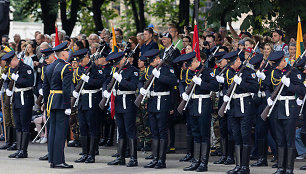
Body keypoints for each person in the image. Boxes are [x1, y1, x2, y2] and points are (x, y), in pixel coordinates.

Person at [264, 51, 305, 174]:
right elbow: (266, 86)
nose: (277, 66)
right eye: (277, 64)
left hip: (289, 108)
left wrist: (289, 85)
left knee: (289, 139)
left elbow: (303, 90)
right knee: (279, 139)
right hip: (276, 108)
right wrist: (268, 97)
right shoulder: (273, 72)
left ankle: (289, 168)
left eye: (280, 62)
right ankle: (280, 167)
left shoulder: (293, 72)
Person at [139, 49, 177, 169]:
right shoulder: (149, 69)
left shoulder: (166, 68)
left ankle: (162, 160)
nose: (150, 63)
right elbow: (141, 81)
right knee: (154, 131)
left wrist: (159, 76)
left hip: (163, 102)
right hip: (152, 103)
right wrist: (141, 88)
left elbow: (173, 81)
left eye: (152, 60)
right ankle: (155, 158)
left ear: (158, 59)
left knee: (162, 131)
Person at [222, 50, 259, 174]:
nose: (232, 65)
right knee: (235, 136)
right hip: (233, 106)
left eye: (234, 62)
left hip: (245, 106)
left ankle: (245, 167)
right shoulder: (229, 72)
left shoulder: (249, 72)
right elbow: (226, 87)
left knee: (245, 136)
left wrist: (241, 83)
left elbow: (255, 88)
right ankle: (238, 165)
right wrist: (225, 96)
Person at [104, 52, 139, 167]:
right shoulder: (115, 70)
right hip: (118, 102)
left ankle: (133, 158)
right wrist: (106, 90)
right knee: (121, 131)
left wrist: (121, 80)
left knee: (130, 131)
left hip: (128, 102)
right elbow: (106, 81)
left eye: (117, 63)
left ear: (123, 60)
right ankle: (121, 157)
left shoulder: (132, 70)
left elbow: (133, 86)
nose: (116, 66)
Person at [43, 42, 73, 169]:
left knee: (53, 132)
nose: (68, 53)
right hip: (61, 102)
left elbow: (45, 88)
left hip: (51, 101)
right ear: (63, 53)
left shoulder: (49, 67)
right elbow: (66, 89)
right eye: (67, 51)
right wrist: (68, 106)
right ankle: (59, 161)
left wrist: (46, 103)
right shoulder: (67, 67)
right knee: (60, 133)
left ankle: (53, 160)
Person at [72, 49, 103, 163]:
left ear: (87, 57)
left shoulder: (95, 68)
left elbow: (100, 82)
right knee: (83, 128)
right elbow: (74, 82)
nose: (80, 63)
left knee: (92, 127)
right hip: (82, 100)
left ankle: (92, 154)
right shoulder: (80, 69)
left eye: (81, 60)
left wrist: (88, 79)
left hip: (92, 100)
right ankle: (84, 153)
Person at [3, 51, 34, 159]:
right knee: (18, 125)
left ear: (15, 59)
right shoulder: (12, 69)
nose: (9, 65)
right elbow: (7, 80)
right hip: (16, 99)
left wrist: (18, 79)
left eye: (10, 62)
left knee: (24, 125)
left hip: (25, 99)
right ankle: (18, 149)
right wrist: (7, 89)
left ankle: (23, 151)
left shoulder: (27, 68)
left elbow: (30, 82)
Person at [214, 51, 235, 165]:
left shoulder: (231, 71)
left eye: (220, 61)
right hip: (221, 100)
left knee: (230, 129)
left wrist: (225, 80)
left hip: (230, 100)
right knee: (222, 128)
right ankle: (224, 154)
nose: (218, 64)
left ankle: (231, 156)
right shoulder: (218, 71)